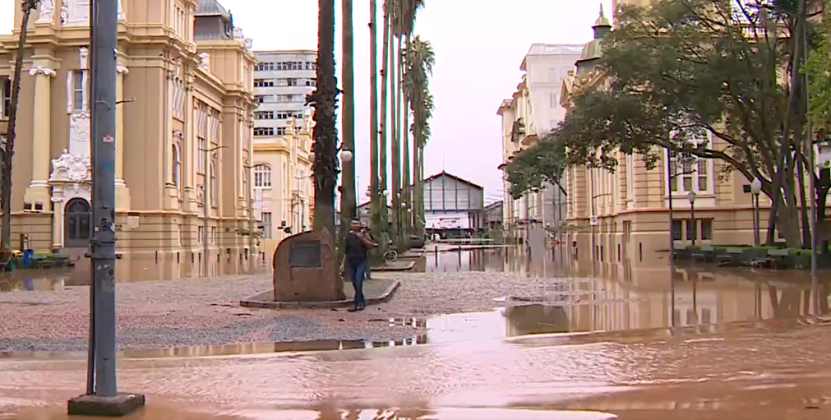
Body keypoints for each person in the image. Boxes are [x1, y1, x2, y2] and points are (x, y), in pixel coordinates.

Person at [342, 219, 377, 312]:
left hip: (361, 261)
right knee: (354, 282)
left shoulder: (364, 234)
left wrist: (361, 238)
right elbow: (346, 251)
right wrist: (343, 264)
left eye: (356, 223)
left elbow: (371, 245)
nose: (355, 225)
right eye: (353, 223)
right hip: (351, 261)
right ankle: (361, 301)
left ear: (360, 225)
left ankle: (357, 303)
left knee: (358, 281)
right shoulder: (348, 236)